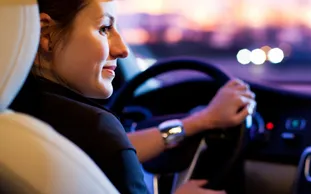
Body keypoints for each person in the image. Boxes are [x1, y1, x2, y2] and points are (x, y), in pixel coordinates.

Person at [10, 0, 256, 193]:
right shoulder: (96, 128)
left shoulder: (18, 110)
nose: (123, 49)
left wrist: (201, 122)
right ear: (45, 35)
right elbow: (109, 145)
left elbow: (113, 148)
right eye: (104, 29)